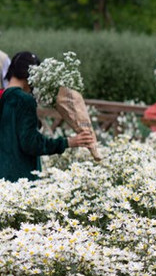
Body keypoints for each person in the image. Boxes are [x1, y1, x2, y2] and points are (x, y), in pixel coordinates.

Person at [0, 51, 95, 182]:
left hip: (4, 179)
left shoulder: (4, 97)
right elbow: (31, 143)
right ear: (31, 75)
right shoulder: (24, 100)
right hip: (20, 180)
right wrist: (68, 142)